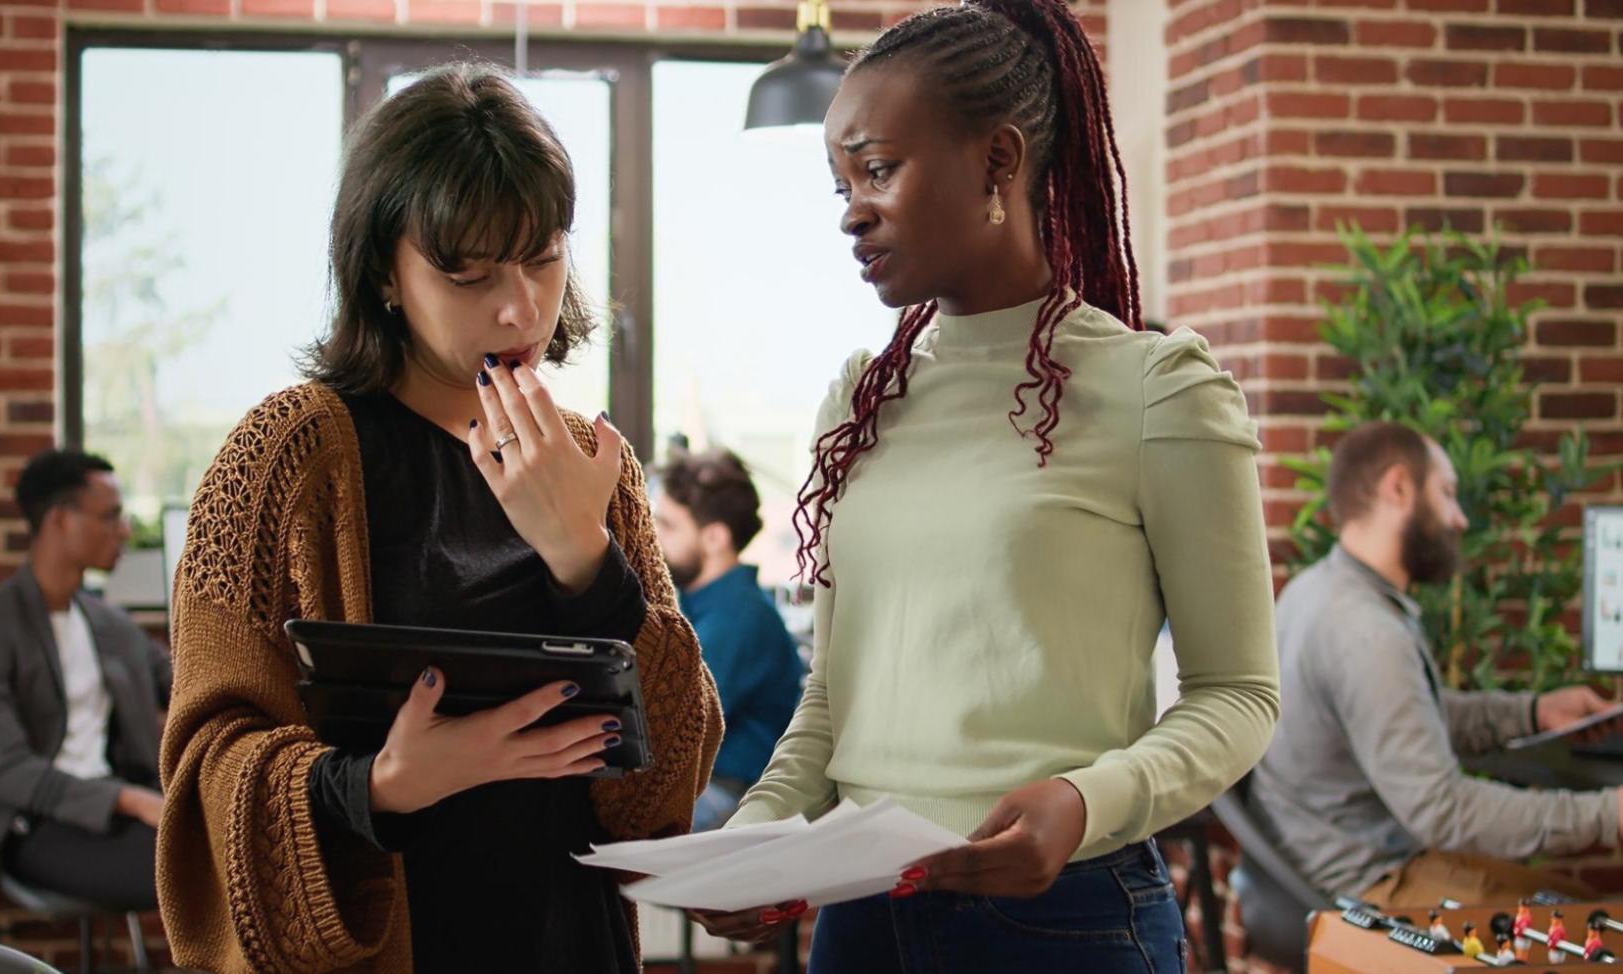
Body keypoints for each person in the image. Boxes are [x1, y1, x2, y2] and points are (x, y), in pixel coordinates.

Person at [688, 1, 1280, 969]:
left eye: (878, 169)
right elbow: (834, 701)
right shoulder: (858, 399)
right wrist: (758, 834)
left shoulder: (1154, 389)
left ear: (998, 161)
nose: (851, 209)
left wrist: (1085, 800)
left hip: (1066, 922)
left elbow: (1238, 694)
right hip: (861, 921)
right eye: (839, 182)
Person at [155, 63, 721, 974]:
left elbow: (665, 787)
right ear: (385, 270)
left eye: (543, 257)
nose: (520, 306)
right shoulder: (284, 458)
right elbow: (203, 778)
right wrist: (377, 786)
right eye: (469, 274)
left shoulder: (591, 463)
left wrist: (585, 554)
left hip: (569, 940)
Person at [1249, 421, 1623, 908]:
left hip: (1333, 868)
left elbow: (1405, 716)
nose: (1460, 519)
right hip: (1374, 887)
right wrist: (1607, 813)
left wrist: (1532, 713)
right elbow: (1442, 810)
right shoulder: (1366, 630)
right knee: (1598, 925)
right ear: (1399, 487)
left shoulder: (1318, 590)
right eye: (1447, 493)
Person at [0, 449, 171, 910]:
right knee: (196, 871)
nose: (125, 530)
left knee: (236, 853)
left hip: (121, 811)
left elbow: (183, 681)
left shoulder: (109, 624)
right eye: (110, 516)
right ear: (60, 521)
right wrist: (130, 800)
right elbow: (6, 770)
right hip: (36, 823)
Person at [653, 448, 807, 832]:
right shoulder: (696, 601)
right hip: (706, 783)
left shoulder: (738, 618)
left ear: (715, 537)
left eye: (668, 526)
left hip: (732, 792)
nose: (654, 535)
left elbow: (670, 730)